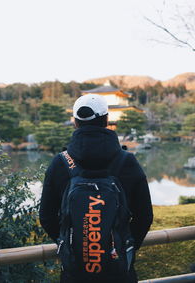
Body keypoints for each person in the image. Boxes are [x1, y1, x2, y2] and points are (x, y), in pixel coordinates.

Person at [39, 94, 153, 283]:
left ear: (75, 122)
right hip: (118, 272)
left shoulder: (60, 163)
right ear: (106, 120)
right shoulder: (127, 161)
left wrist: (68, 242)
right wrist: (124, 244)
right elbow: (145, 216)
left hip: (75, 273)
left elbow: (46, 216)